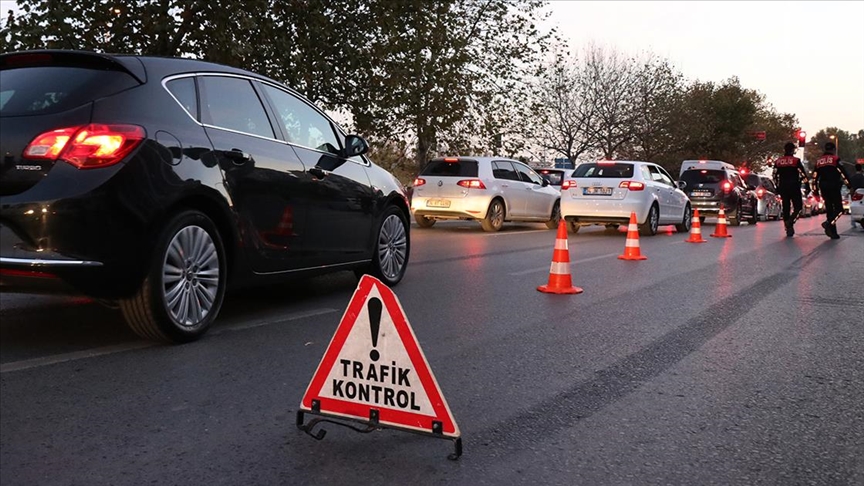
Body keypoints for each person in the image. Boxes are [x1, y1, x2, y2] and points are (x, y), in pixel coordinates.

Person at [813, 142, 851, 239]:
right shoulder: (835, 159)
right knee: (839, 209)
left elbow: (814, 178)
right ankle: (828, 223)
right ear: (833, 150)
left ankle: (832, 232)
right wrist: (849, 186)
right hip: (834, 186)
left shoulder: (819, 162)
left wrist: (815, 191)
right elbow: (843, 173)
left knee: (829, 209)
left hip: (823, 187)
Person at [772, 142, 811, 237]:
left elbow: (774, 175)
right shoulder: (796, 161)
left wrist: (777, 187)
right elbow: (802, 174)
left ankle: (787, 224)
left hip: (783, 187)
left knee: (786, 207)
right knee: (798, 207)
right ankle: (791, 221)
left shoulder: (778, 161)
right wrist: (807, 185)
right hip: (794, 187)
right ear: (793, 150)